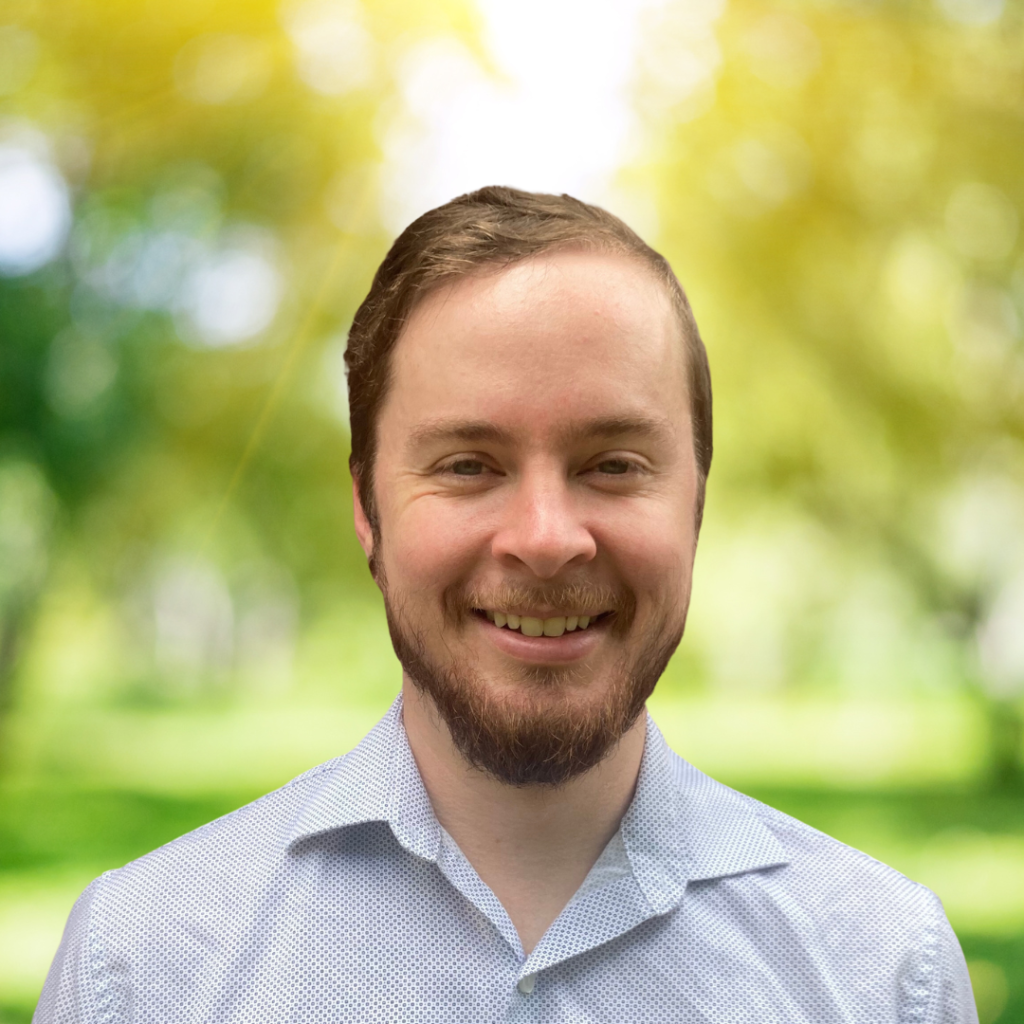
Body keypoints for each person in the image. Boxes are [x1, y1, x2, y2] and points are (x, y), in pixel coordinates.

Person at [36, 186, 977, 1023]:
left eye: (614, 465)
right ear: (366, 509)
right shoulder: (141, 972)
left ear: (696, 501)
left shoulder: (886, 974)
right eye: (467, 466)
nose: (545, 537)